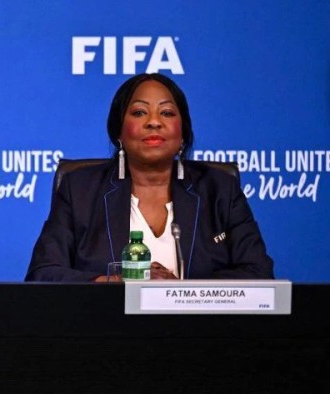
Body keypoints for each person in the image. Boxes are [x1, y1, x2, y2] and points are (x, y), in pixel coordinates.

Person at [26, 73, 274, 282]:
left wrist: (181, 292)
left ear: (183, 132)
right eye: (139, 112)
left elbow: (259, 273)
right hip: (106, 323)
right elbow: (43, 274)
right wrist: (117, 283)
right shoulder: (80, 189)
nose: (154, 122)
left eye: (166, 112)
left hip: (197, 325)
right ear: (118, 131)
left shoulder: (219, 189)